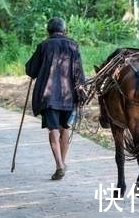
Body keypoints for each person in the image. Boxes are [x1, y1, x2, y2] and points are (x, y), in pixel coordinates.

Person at [25, 17, 85, 180]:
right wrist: (81, 92)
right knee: (64, 129)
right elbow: (79, 72)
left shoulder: (43, 46)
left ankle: (59, 165)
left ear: (48, 31)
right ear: (64, 30)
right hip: (69, 96)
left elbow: (31, 70)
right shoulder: (73, 45)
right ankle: (62, 163)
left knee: (53, 129)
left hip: (48, 96)